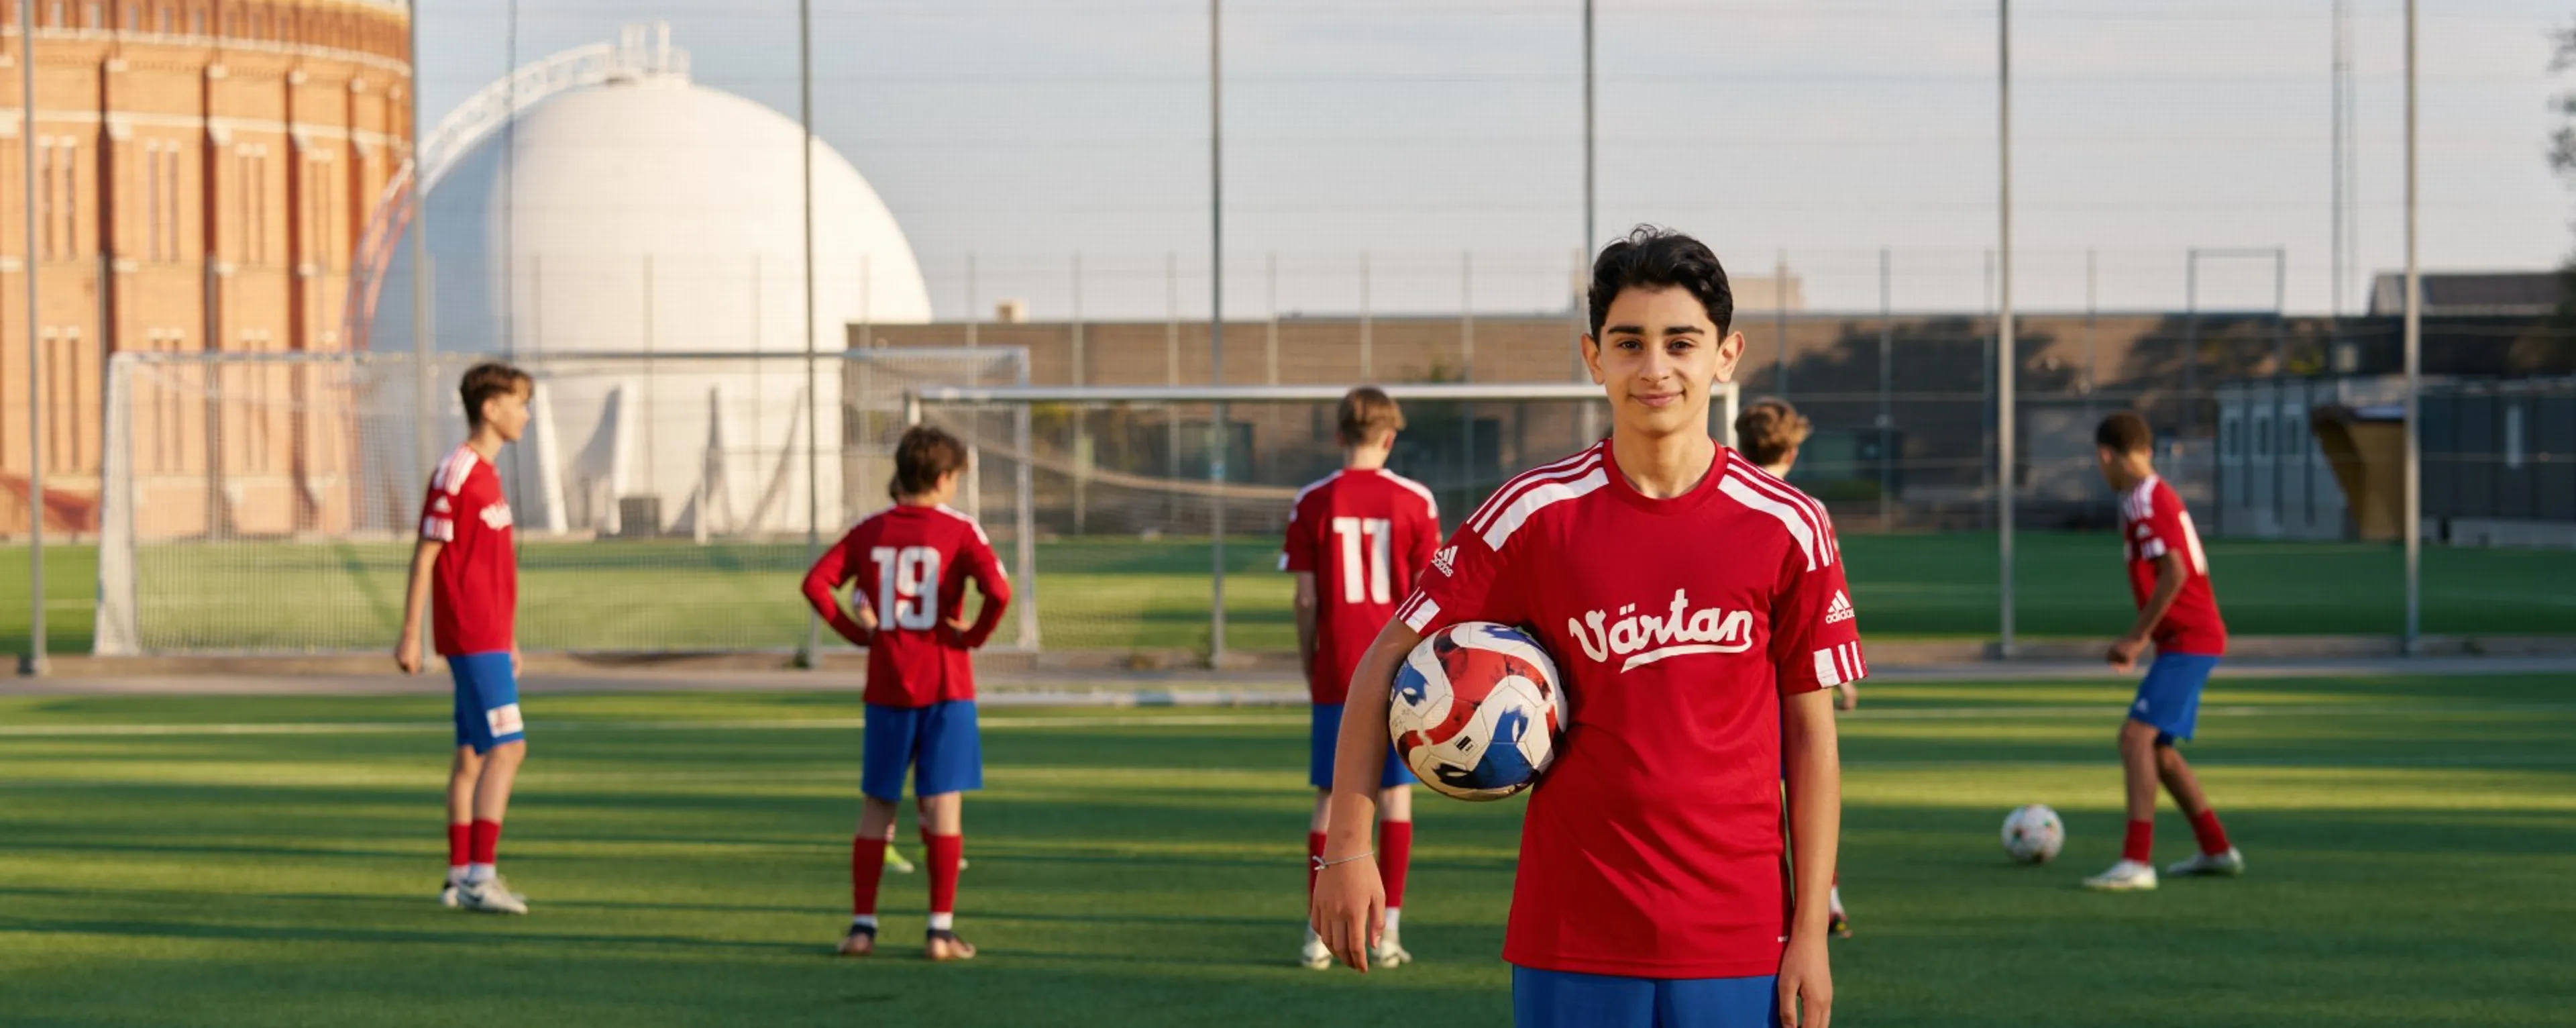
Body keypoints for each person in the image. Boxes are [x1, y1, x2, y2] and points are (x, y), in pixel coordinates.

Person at [1313, 226, 1858, 1028]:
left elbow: (1812, 741)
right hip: (1571, 933)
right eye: (1629, 343)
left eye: (1681, 342)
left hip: (1741, 934)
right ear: (1594, 357)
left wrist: (1810, 929)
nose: (1656, 367)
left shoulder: (1789, 524)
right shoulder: (1536, 513)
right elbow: (1383, 660)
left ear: (1727, 354)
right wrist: (1348, 846)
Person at [802, 425, 1013, 960]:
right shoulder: (962, 531)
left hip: (888, 684)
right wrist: (974, 636)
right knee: (943, 803)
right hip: (947, 683)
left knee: (878, 803)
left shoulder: (869, 530)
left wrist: (861, 635)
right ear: (944, 479)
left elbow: (815, 584)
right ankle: (940, 932)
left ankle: (862, 928)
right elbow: (999, 591)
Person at [1282, 387, 1442, 970]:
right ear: (1390, 436)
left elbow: (1305, 599)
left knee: (1331, 799)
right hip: (1402, 676)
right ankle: (1389, 929)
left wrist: (1311, 662)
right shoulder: (1415, 500)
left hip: (1338, 668)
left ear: (1338, 436)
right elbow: (1432, 598)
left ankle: (1316, 932)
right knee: (1396, 796)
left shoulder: (1312, 501)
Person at [2082, 412, 2245, 892]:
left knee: (2134, 739)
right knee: (2160, 753)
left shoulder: (2144, 500)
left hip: (2190, 639)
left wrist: (2136, 638)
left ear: (2105, 456)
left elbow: (2173, 572)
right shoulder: (2151, 495)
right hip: (2188, 639)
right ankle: (2217, 849)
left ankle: (2137, 862)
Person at [396, 362, 534, 916]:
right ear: (491, 408)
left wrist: (511, 638)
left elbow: (490, 567)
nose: (526, 413)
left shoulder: (489, 474)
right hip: (470, 637)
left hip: (491, 638)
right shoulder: (456, 472)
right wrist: (412, 634)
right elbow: (426, 554)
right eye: (520, 402)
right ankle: (483, 875)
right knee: (510, 747)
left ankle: (458, 877)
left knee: (473, 756)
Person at [1733, 396, 1855, 939]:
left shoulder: (1721, 501)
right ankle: (1823, 897)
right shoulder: (1803, 510)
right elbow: (1823, 610)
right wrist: (1841, 677)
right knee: (1806, 788)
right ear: (1796, 446)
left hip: (1735, 692)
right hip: (1788, 689)